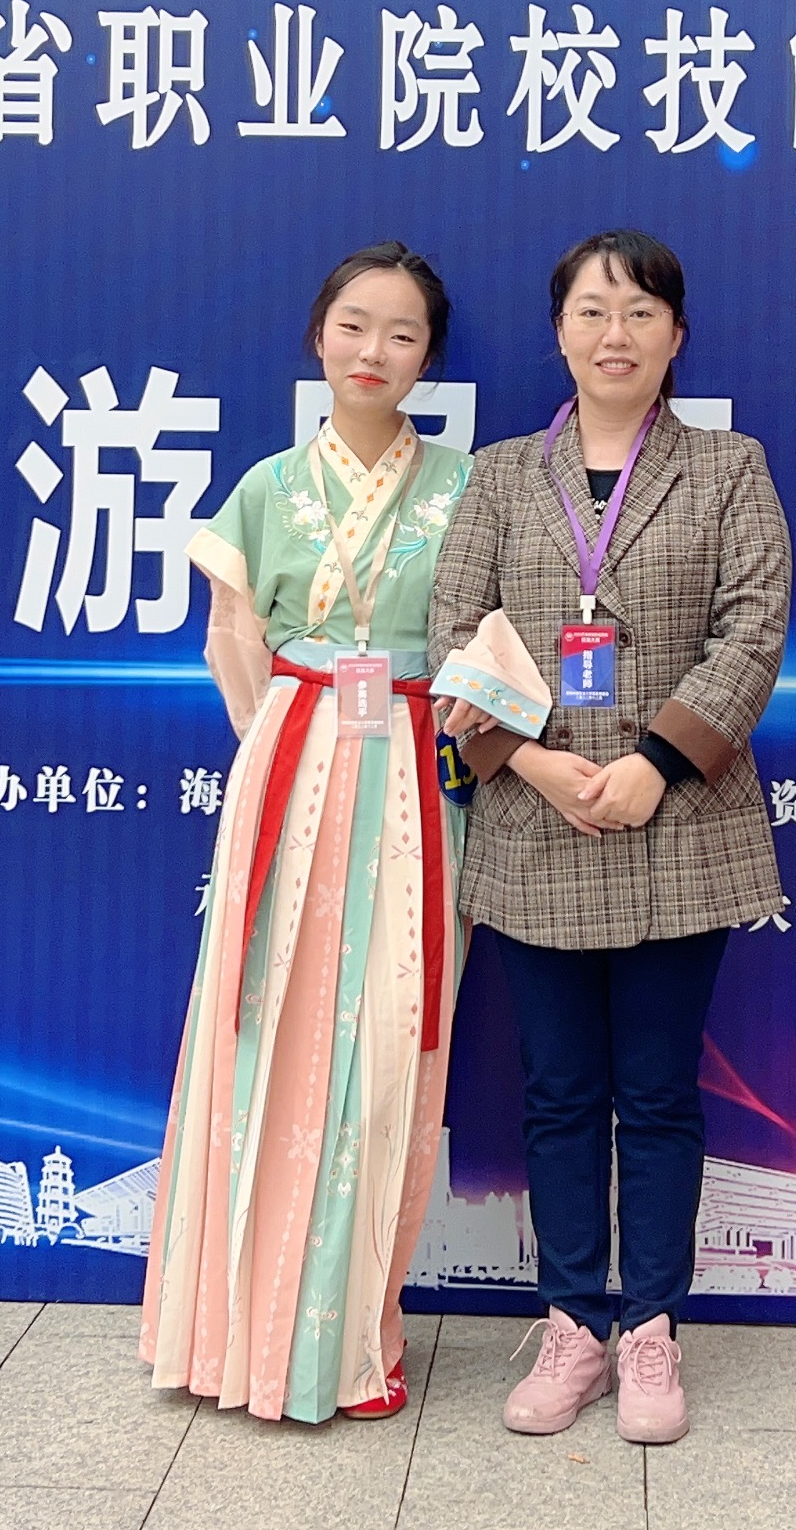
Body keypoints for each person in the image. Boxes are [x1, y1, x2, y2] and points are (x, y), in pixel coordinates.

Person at [427, 229, 791, 1447]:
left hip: (679, 823)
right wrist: (530, 759)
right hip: (535, 823)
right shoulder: (498, 477)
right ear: (559, 333)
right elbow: (454, 636)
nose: (614, 333)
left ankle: (652, 1328)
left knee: (659, 1091)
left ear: (676, 336)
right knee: (559, 1092)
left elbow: (753, 629)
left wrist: (653, 765)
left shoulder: (729, 468)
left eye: (639, 312)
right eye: (591, 310)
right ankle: (573, 1322)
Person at [141, 241, 472, 1424]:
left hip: (418, 775)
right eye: (353, 326)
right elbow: (233, 637)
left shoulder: (470, 490)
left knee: (388, 1049)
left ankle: (348, 1339)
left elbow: (496, 641)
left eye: (402, 333)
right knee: (258, 1033)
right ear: (318, 337)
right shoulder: (265, 489)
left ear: (431, 358)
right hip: (289, 770)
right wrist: (285, 737)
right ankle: (228, 1334)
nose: (374, 352)